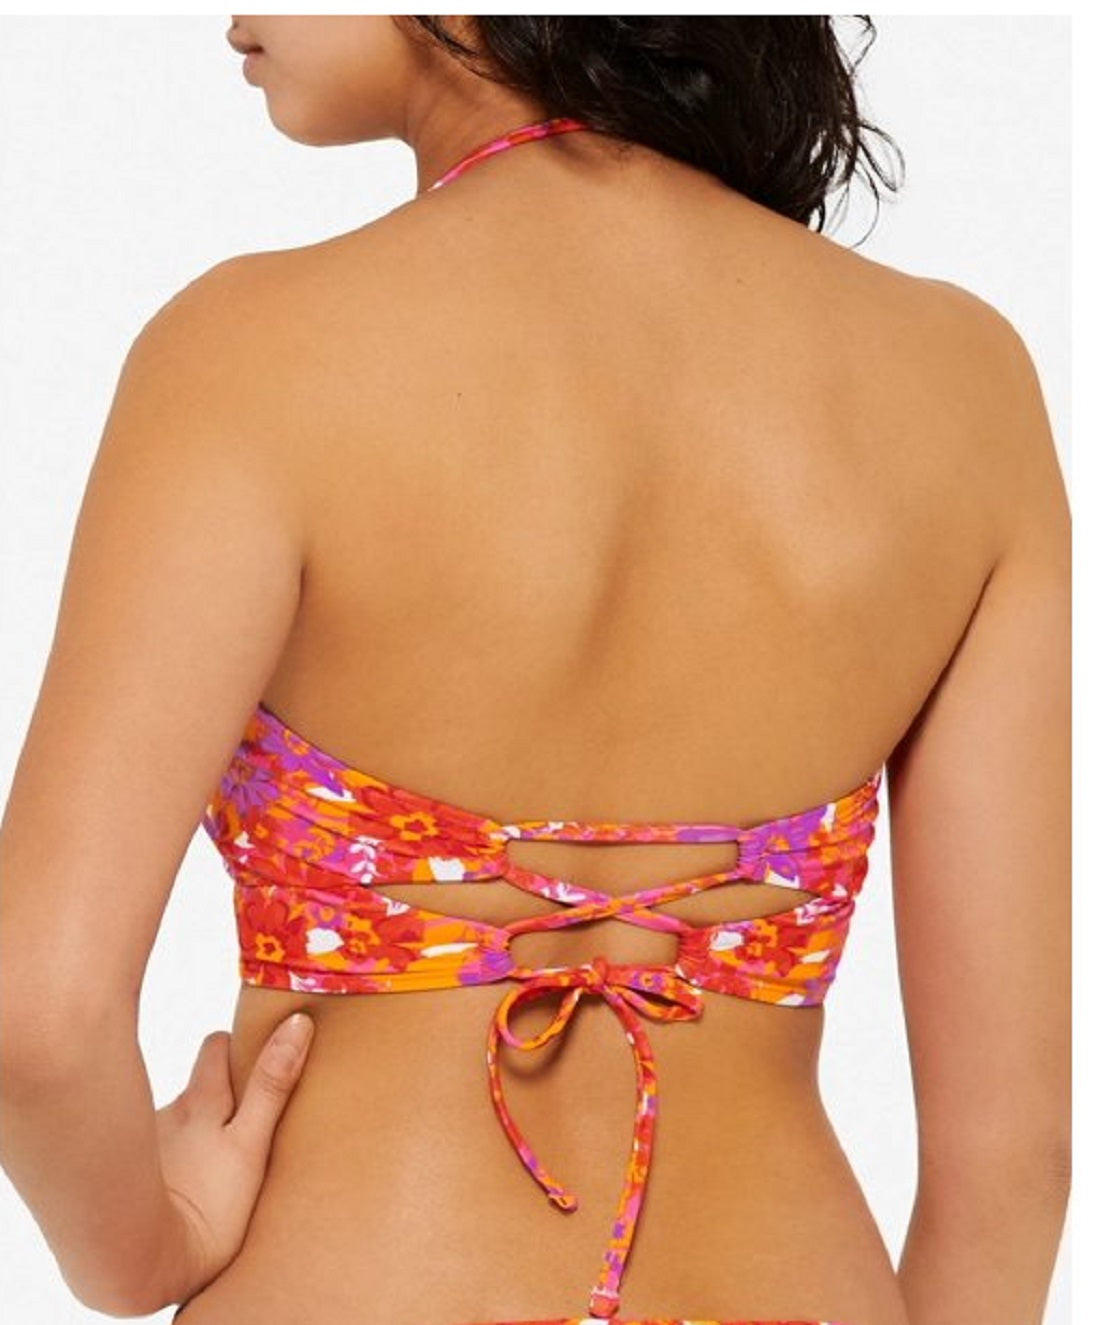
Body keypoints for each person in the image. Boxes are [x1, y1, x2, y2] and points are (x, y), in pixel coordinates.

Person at [0, 15, 1070, 1325]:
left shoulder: (250, 350)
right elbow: (1010, 1169)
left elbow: (37, 1017)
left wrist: (140, 1251)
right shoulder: (965, 384)